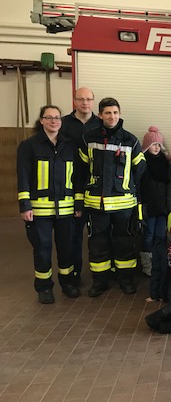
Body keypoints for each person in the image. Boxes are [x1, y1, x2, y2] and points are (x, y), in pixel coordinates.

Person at [76, 97, 146, 297]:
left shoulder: (131, 140)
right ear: (100, 115)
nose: (112, 116)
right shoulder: (88, 139)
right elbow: (80, 172)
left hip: (124, 204)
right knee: (98, 243)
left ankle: (126, 280)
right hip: (96, 204)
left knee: (125, 243)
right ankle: (100, 281)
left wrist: (129, 191)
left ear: (120, 114)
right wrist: (81, 198)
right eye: (107, 113)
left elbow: (140, 170)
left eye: (115, 112)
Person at [17, 105, 79, 303]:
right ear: (41, 120)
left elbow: (77, 178)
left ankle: (68, 282)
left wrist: (78, 204)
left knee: (66, 247)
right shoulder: (29, 146)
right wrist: (25, 205)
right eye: (49, 118)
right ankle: (44, 287)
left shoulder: (70, 146)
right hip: (39, 209)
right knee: (42, 248)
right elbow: (23, 176)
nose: (54, 121)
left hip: (67, 208)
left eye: (57, 118)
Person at [60, 87, 100, 288]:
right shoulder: (64, 124)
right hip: (69, 187)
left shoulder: (101, 124)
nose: (85, 103)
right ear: (74, 101)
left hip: (97, 189)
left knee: (99, 234)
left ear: (93, 102)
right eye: (81, 99)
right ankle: (73, 276)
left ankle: (100, 276)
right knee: (74, 235)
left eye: (89, 99)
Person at [139, 126, 170, 277]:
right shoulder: (142, 163)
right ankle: (147, 264)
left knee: (160, 236)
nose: (156, 148)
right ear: (147, 147)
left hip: (163, 207)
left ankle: (159, 262)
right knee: (148, 235)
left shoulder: (165, 162)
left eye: (158, 145)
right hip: (149, 207)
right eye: (153, 145)